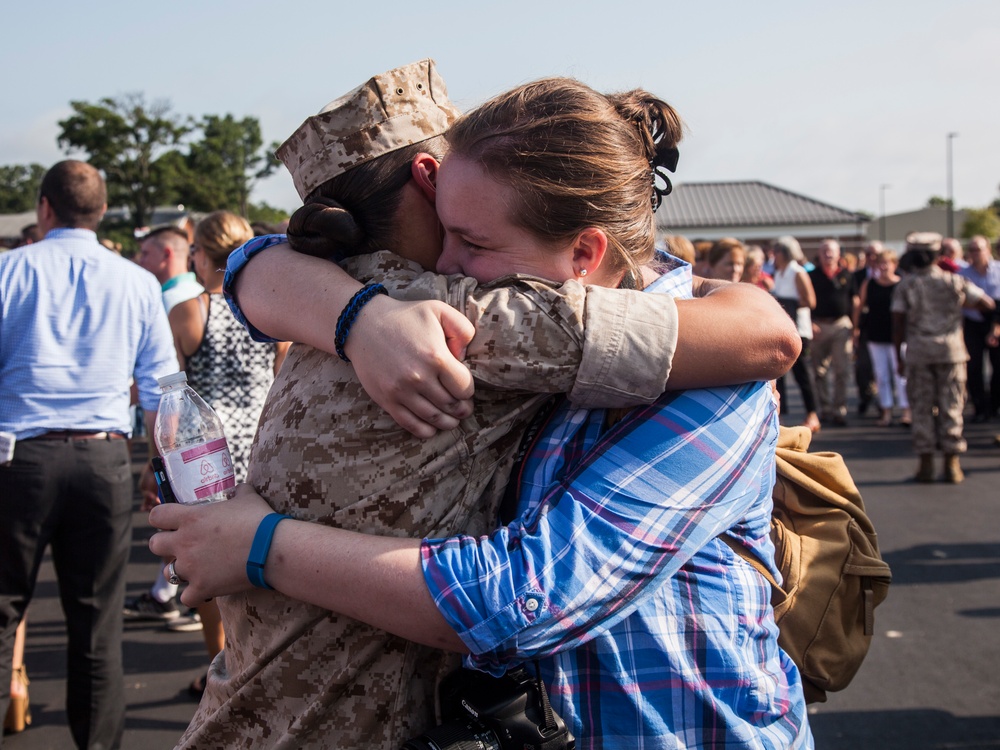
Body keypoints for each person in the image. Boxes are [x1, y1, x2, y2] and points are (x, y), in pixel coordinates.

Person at [151, 71, 809, 749]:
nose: (447, 262)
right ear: (428, 175)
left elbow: (525, 601)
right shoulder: (470, 303)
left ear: (585, 252)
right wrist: (358, 315)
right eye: (446, 231)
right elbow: (257, 265)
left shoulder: (695, 373)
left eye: (473, 241)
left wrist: (261, 547)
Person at [0, 160, 178, 749]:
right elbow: (160, 389)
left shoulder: (8, 271)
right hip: (103, 462)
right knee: (96, 630)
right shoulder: (137, 282)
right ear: (102, 213)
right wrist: (161, 469)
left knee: (2, 617)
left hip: (19, 459)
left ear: (44, 208)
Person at [125, 224, 209, 624]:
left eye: (145, 253)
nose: (139, 261)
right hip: (235, 427)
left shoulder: (174, 303)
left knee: (187, 519)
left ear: (168, 255)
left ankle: (181, 595)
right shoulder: (217, 299)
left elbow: (165, 383)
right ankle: (170, 592)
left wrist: (153, 458)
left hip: (194, 429)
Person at [892, 232, 995, 483]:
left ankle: (925, 464)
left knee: (922, 407)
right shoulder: (953, 281)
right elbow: (988, 304)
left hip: (919, 351)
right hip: (951, 351)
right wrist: (959, 306)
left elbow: (897, 321)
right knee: (952, 405)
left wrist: (900, 356)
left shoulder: (906, 284)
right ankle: (952, 463)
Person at [771, 235, 821, 432]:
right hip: (784, 327)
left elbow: (810, 301)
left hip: (799, 330)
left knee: (802, 375)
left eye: (775, 252)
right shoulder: (780, 272)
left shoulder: (797, 272)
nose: (773, 256)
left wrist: (787, 303)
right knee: (779, 373)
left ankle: (812, 414)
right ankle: (780, 416)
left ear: (783, 253)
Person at [809, 239, 859, 426]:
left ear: (839, 254)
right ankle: (825, 408)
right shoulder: (811, 275)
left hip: (840, 325)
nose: (828, 255)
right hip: (819, 326)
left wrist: (855, 326)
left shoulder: (847, 275)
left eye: (831, 251)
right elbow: (804, 301)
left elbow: (855, 301)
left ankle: (840, 409)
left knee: (842, 369)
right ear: (819, 254)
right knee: (819, 371)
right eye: (824, 251)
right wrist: (810, 322)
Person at [856, 248, 909, 426]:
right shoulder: (869, 284)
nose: (884, 266)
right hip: (876, 334)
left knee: (900, 374)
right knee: (881, 375)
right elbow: (859, 306)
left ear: (895, 265)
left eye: (887, 262)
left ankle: (906, 410)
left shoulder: (902, 284)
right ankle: (886, 411)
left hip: (899, 336)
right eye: (880, 263)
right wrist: (856, 329)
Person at [958, 235, 1000, 423]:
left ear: (987, 250)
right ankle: (979, 407)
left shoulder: (998, 271)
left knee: (997, 368)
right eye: (972, 249)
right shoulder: (963, 274)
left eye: (978, 249)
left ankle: (994, 405)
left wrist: (996, 328)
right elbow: (959, 300)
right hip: (973, 324)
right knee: (973, 367)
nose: (975, 253)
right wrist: (980, 306)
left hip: (996, 323)